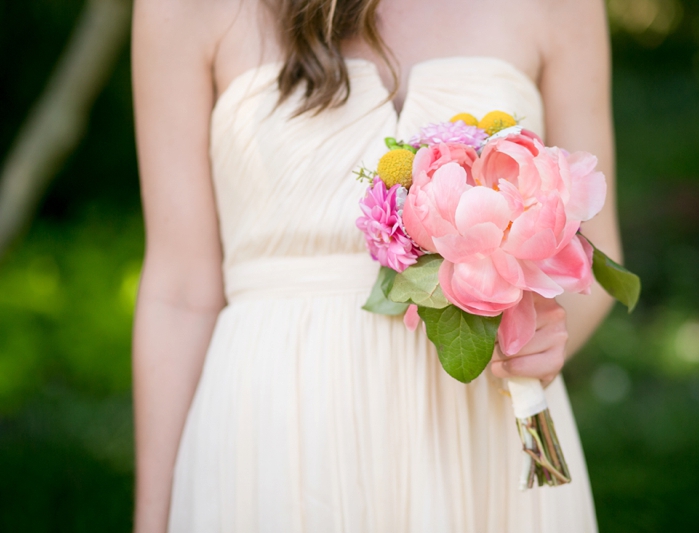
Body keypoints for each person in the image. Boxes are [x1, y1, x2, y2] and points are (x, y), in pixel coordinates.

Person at [131, 0, 620, 531]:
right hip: (274, 434)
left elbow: (593, 256)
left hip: (482, 436)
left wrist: (543, 327)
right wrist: (153, 518)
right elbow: (179, 294)